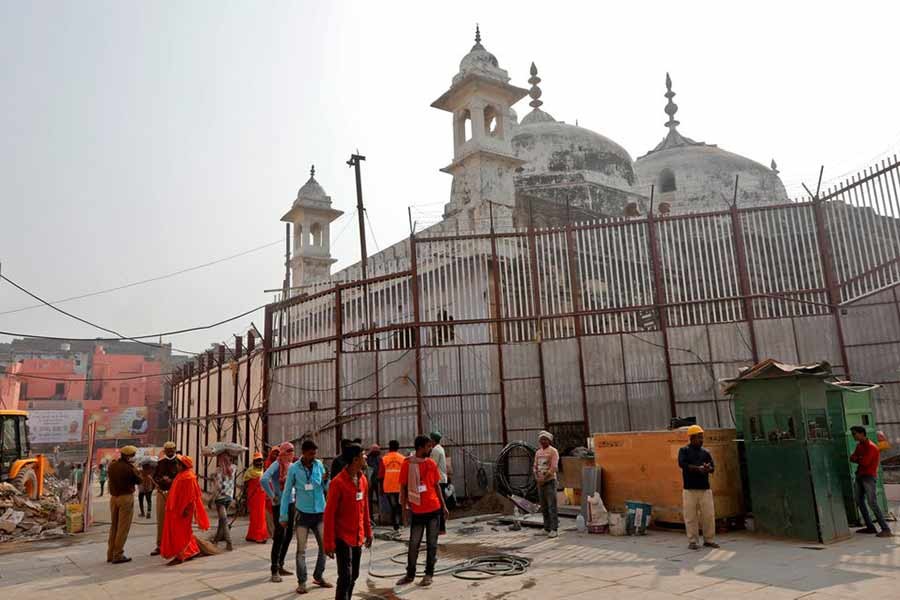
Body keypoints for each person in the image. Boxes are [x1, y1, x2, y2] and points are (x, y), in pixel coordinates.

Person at [396, 435, 448, 588]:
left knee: (432, 544)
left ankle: (428, 574)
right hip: (417, 511)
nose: (430, 449)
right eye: (428, 446)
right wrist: (404, 512)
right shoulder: (407, 464)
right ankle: (410, 574)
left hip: (433, 510)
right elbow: (403, 488)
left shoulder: (431, 463)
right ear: (420, 448)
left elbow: (436, 486)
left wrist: (444, 506)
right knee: (413, 544)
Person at [281, 439, 332, 594]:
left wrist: (326, 480)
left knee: (324, 547)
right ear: (303, 453)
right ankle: (302, 582)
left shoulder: (319, 465)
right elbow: (287, 492)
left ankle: (318, 576)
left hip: (320, 512)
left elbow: (324, 487)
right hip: (303, 514)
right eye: (311, 454)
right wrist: (283, 515)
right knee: (301, 550)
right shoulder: (294, 468)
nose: (313, 457)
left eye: (315, 454)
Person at [323, 443, 372, 600]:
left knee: (354, 575)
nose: (366, 458)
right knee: (345, 576)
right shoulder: (337, 483)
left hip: (358, 535)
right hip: (342, 537)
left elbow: (365, 507)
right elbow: (329, 514)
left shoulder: (363, 480)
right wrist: (328, 543)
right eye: (363, 455)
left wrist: (368, 531)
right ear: (355, 459)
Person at [160, 455, 218, 565]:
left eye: (178, 464)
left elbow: (190, 497)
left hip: (183, 511)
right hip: (175, 510)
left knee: (179, 533)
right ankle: (192, 550)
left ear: (183, 465)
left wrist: (184, 510)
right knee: (182, 532)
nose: (176, 466)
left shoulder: (188, 477)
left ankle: (181, 555)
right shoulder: (181, 475)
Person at [678, 425, 719, 550]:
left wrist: (707, 468)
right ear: (692, 438)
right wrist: (698, 469)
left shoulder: (705, 453)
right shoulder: (684, 451)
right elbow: (682, 464)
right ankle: (693, 541)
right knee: (691, 517)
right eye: (699, 437)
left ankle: (709, 540)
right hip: (689, 489)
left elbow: (712, 468)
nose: (701, 440)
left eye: (702, 437)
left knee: (708, 516)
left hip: (705, 489)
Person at [262, 441, 296, 582]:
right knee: (279, 535)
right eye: (288, 451)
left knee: (289, 534)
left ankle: (280, 564)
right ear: (283, 452)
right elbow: (264, 479)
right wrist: (272, 495)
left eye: (292, 451)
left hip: (291, 502)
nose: (291, 454)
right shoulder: (277, 464)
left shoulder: (292, 466)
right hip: (280, 503)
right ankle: (274, 569)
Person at [850, 425, 893, 537]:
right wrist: (859, 458)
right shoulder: (860, 446)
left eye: (854, 434)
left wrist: (858, 458)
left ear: (861, 433)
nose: (853, 436)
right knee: (859, 501)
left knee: (872, 502)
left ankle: (885, 529)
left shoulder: (871, 447)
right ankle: (870, 527)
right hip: (860, 475)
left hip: (868, 477)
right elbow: (852, 458)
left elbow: (865, 462)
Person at [106, 445, 142, 564]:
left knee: (114, 526)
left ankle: (110, 553)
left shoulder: (112, 466)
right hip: (125, 498)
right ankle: (118, 554)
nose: (134, 457)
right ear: (128, 456)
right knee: (123, 528)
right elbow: (139, 480)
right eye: (133, 455)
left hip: (114, 498)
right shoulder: (129, 468)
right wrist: (138, 471)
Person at [151, 441, 179, 556]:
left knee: (176, 519)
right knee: (161, 520)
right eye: (168, 450)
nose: (170, 452)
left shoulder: (180, 461)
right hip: (162, 493)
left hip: (176, 494)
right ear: (165, 450)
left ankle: (176, 543)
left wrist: (172, 480)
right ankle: (160, 545)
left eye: (172, 449)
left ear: (175, 449)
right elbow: (155, 477)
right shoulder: (160, 463)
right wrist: (162, 480)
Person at [533, 430, 560, 539]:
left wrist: (544, 478)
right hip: (540, 482)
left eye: (545, 439)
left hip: (550, 481)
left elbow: (554, 467)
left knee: (551, 505)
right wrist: (536, 477)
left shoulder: (553, 451)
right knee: (543, 506)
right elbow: (535, 466)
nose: (543, 441)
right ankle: (546, 528)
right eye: (541, 439)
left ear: (549, 440)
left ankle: (554, 529)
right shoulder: (538, 452)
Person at [210, 452, 236, 551]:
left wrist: (212, 499)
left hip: (220, 499)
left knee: (224, 521)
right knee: (221, 520)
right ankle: (216, 540)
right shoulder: (233, 468)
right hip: (229, 498)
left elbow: (218, 487)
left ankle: (229, 542)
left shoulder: (218, 471)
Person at [379, 440, 405, 532]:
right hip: (399, 486)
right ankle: (399, 523)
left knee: (393, 506)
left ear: (389, 447)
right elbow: (405, 474)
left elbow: (381, 475)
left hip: (388, 486)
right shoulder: (402, 458)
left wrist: (381, 488)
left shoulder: (384, 458)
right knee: (398, 505)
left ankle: (396, 524)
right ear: (398, 447)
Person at [243, 451, 269, 543]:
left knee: (260, 516)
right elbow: (246, 483)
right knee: (256, 516)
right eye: (257, 460)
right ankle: (258, 536)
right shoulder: (250, 471)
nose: (260, 462)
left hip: (261, 496)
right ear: (254, 462)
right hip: (254, 496)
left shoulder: (263, 470)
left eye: (261, 460)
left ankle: (253, 535)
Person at [429, 432, 449, 533]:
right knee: (440, 503)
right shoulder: (440, 448)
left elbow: (432, 464)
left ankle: (441, 528)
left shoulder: (436, 450)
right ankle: (441, 527)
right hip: (442, 479)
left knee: (439, 504)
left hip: (439, 480)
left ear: (433, 440)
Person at [264, 446, 281, 536]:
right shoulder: (268, 464)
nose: (276, 455)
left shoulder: (282, 463)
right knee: (269, 510)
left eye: (278, 454)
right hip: (269, 489)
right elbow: (265, 479)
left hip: (278, 489)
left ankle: (277, 531)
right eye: (274, 453)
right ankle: (272, 531)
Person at [366, 444, 382, 526]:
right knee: (370, 500)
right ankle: (371, 518)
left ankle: (376, 517)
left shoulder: (377, 459)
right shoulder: (369, 459)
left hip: (375, 481)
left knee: (374, 500)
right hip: (371, 481)